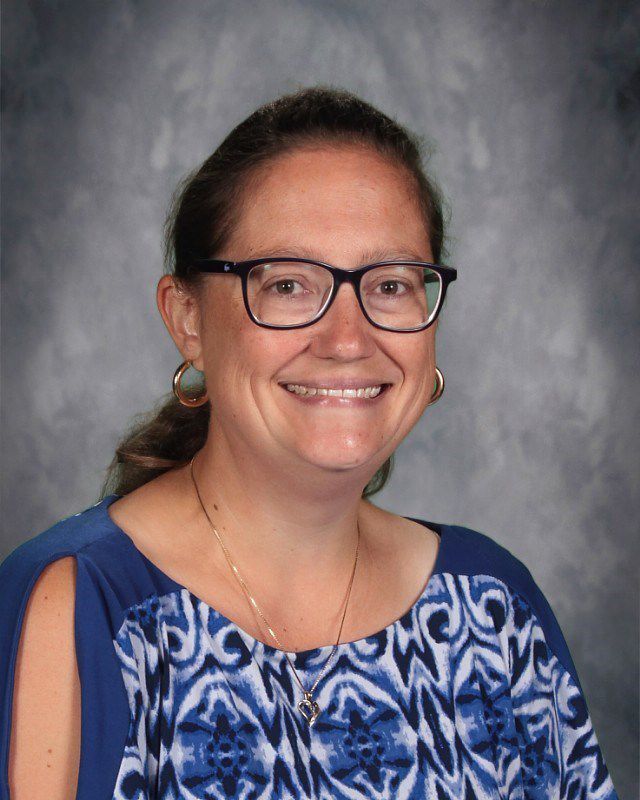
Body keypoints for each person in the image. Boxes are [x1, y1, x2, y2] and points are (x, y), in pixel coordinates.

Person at [0, 86, 618, 800]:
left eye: (389, 284)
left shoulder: (493, 606)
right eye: (290, 283)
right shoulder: (78, 607)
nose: (349, 339)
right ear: (188, 318)